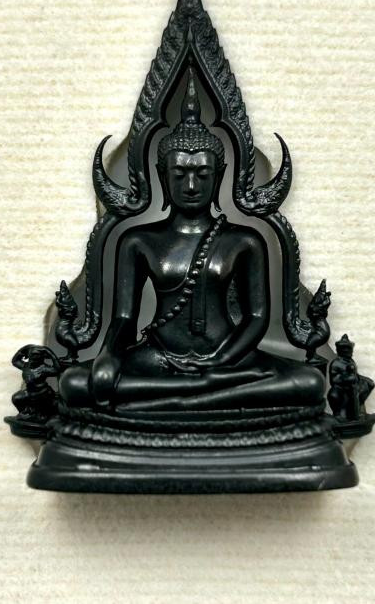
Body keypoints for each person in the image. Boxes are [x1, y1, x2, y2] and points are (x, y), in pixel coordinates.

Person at [60, 69, 324, 413]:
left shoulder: (244, 241)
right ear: (161, 175)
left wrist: (219, 360)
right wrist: (109, 355)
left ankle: (175, 396)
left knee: (310, 382)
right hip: (159, 357)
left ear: (220, 175)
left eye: (202, 174)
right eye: (179, 174)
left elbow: (257, 318)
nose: (190, 186)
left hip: (230, 359)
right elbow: (124, 319)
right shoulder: (138, 241)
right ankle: (203, 393)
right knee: (74, 382)